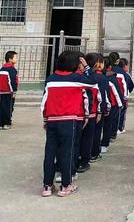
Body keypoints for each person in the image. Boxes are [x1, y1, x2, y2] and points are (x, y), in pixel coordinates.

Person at [41, 51, 96, 197]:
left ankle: (47, 186)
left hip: (52, 120)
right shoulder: (76, 78)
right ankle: (65, 186)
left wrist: (45, 119)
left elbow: (44, 101)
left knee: (50, 153)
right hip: (69, 120)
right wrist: (87, 67)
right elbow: (94, 82)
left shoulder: (51, 79)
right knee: (67, 153)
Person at [77, 53, 104, 173]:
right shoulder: (92, 78)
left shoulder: (81, 76)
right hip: (88, 113)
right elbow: (100, 95)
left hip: (84, 114)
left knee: (82, 138)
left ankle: (81, 159)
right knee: (87, 138)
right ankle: (84, 160)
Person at [89, 53, 110, 163]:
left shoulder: (86, 76)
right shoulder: (102, 78)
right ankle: (94, 154)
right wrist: (104, 109)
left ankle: (85, 154)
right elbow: (103, 95)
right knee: (97, 132)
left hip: (86, 110)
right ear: (98, 64)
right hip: (98, 109)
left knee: (86, 134)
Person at [101, 57, 123, 154]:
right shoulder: (111, 77)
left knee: (101, 126)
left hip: (101, 104)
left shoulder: (98, 76)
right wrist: (120, 103)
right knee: (107, 125)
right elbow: (117, 91)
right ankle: (105, 144)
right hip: (112, 103)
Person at [113, 58, 134, 135]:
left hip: (112, 96)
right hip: (122, 96)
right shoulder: (125, 74)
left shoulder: (112, 71)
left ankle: (113, 129)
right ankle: (119, 128)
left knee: (114, 113)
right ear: (125, 66)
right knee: (121, 113)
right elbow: (131, 85)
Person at [0, 51, 18, 129]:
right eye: (15, 58)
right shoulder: (12, 69)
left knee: (2, 107)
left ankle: (1, 123)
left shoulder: (2, 68)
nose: (16, 59)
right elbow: (13, 81)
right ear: (10, 59)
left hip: (1, 92)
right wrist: (14, 91)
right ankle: (7, 123)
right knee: (9, 108)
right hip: (8, 92)